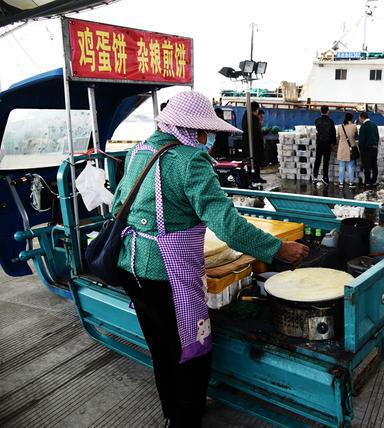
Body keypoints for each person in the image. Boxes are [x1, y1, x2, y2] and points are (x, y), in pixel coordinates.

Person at [112, 91, 309, 427]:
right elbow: (227, 224)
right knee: (192, 346)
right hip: (167, 275)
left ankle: (172, 412)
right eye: (204, 132)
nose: (207, 139)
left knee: (161, 348)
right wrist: (277, 249)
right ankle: (187, 418)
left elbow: (119, 205)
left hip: (131, 267)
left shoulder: (138, 151)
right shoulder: (189, 161)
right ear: (190, 129)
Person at [242, 101, 266, 183]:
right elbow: (256, 134)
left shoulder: (247, 117)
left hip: (250, 144)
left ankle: (256, 177)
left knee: (254, 162)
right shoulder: (252, 119)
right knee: (254, 162)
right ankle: (254, 177)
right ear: (256, 110)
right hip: (253, 145)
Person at [313, 106, 337, 185]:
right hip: (327, 144)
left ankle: (315, 177)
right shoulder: (331, 121)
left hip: (319, 143)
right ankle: (325, 177)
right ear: (328, 111)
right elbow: (333, 134)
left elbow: (317, 132)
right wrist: (334, 144)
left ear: (320, 111)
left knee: (318, 160)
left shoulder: (317, 121)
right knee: (326, 161)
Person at [336, 112, 358, 188]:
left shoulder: (339, 127)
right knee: (351, 166)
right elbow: (356, 136)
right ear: (351, 119)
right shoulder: (354, 126)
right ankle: (351, 183)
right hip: (350, 149)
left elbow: (338, 137)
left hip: (341, 149)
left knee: (341, 166)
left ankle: (341, 183)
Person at [358, 111, 380, 187]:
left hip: (366, 149)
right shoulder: (374, 125)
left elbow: (361, 140)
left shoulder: (363, 126)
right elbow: (377, 137)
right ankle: (374, 181)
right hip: (374, 148)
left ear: (361, 118)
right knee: (374, 165)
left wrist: (361, 150)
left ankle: (367, 182)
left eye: (359, 118)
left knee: (367, 166)